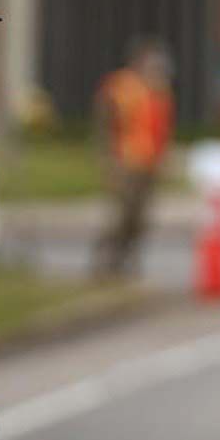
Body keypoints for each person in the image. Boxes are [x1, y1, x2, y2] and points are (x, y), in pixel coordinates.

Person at [93, 39, 175, 278]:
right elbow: (105, 125)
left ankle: (127, 261)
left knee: (141, 218)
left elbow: (162, 128)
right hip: (126, 161)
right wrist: (107, 159)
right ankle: (106, 260)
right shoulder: (120, 87)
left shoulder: (159, 91)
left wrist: (164, 158)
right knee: (122, 215)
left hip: (149, 162)